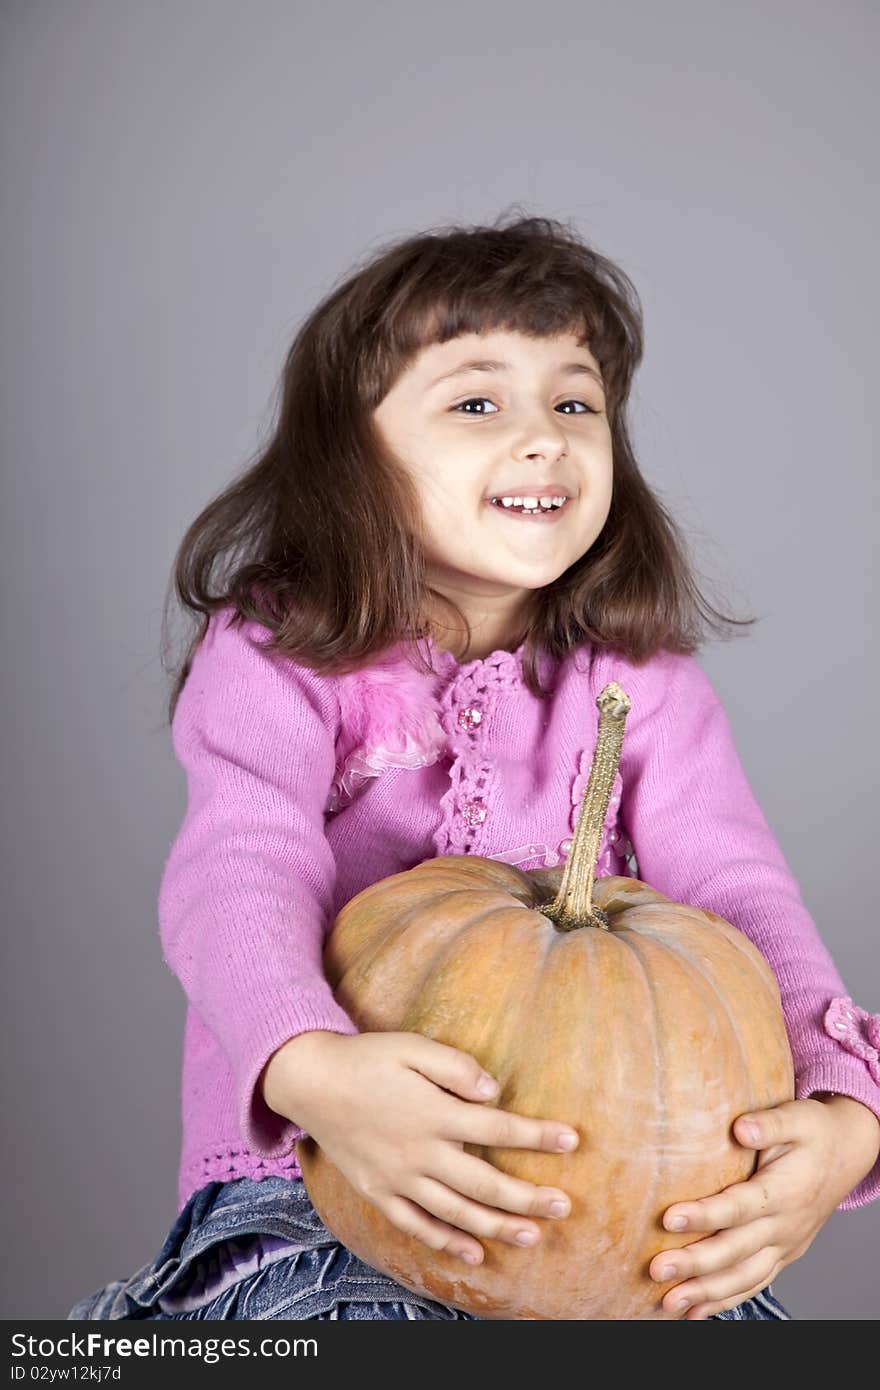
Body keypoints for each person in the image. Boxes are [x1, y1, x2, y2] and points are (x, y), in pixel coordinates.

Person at [68, 212, 880, 1322]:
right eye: (477, 402)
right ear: (349, 456)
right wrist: (312, 1069)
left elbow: (739, 901)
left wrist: (842, 1110)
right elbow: (238, 866)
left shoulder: (638, 682)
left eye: (574, 402)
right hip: (327, 1179)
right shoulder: (282, 654)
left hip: (613, 1221)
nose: (544, 437)